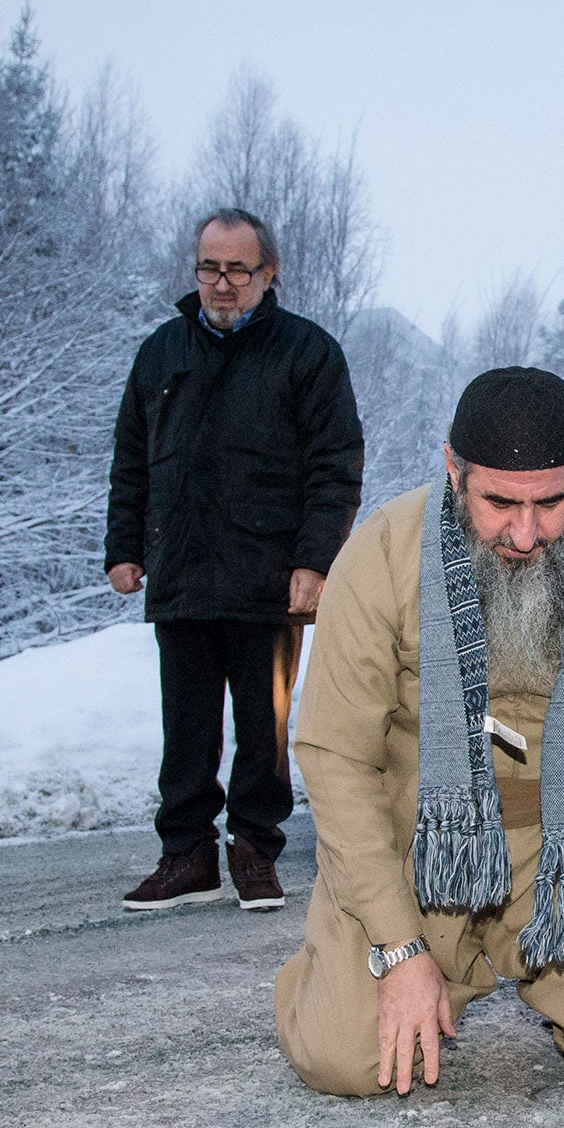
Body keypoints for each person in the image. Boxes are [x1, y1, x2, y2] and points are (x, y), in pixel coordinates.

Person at [275, 367, 564, 1096]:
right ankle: (337, 963)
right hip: (421, 853)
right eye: (500, 502)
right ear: (453, 472)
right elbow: (334, 757)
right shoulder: (380, 555)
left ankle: (540, 965)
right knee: (340, 1061)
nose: (525, 534)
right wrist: (398, 948)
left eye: (552, 503)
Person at [104, 208, 363, 913]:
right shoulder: (161, 352)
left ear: (268, 273)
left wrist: (315, 561)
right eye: (209, 268)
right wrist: (124, 547)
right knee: (184, 724)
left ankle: (254, 849)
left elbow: (335, 466)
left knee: (263, 728)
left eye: (237, 270)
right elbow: (131, 459)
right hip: (182, 572)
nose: (221, 284)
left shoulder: (306, 353)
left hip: (267, 577)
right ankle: (186, 856)